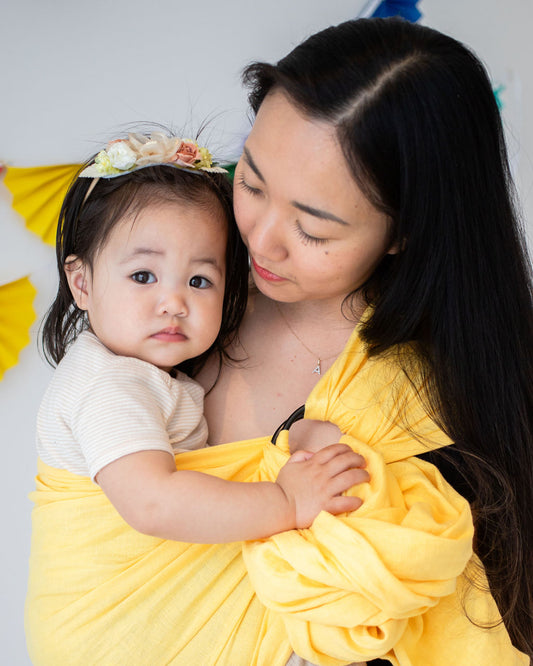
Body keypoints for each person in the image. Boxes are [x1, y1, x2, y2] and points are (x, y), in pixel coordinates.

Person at [25, 18, 532, 666]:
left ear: (403, 231)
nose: (259, 241)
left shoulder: (413, 403)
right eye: (253, 183)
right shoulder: (180, 281)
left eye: (313, 229)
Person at [35, 131, 365, 545]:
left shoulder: (148, 376)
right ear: (81, 284)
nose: (174, 303)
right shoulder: (109, 386)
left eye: (199, 280)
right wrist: (286, 500)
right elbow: (154, 504)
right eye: (143, 276)